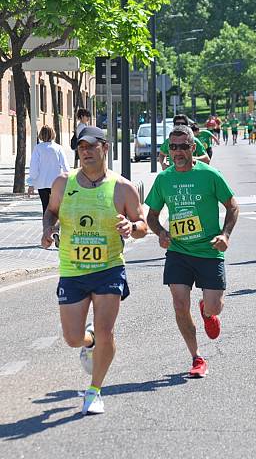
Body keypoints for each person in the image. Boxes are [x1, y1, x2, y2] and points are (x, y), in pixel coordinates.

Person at [41, 126, 147, 414]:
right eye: (81, 147)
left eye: (91, 146)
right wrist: (48, 228)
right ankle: (89, 342)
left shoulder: (122, 187)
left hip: (109, 268)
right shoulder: (63, 183)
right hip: (73, 269)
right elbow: (51, 211)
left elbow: (142, 225)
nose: (86, 151)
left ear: (105, 148)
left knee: (106, 330)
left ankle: (94, 390)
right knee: (73, 338)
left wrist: (131, 227)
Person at [145, 125, 239, 378]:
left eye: (183, 146)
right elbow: (151, 216)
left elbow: (232, 206)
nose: (177, 152)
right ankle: (196, 357)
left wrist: (225, 234)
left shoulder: (209, 175)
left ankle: (207, 310)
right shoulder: (164, 179)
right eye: (172, 147)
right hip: (178, 251)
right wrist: (161, 233)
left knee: (215, 307)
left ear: (193, 147)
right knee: (178, 304)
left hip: (209, 250)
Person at [27, 125, 70, 215]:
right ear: (53, 134)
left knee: (45, 207)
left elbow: (34, 167)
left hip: (42, 183)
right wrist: (69, 180)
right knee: (56, 207)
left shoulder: (38, 148)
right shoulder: (58, 148)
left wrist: (31, 183)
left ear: (41, 135)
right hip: (56, 183)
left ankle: (47, 227)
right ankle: (56, 227)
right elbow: (65, 166)